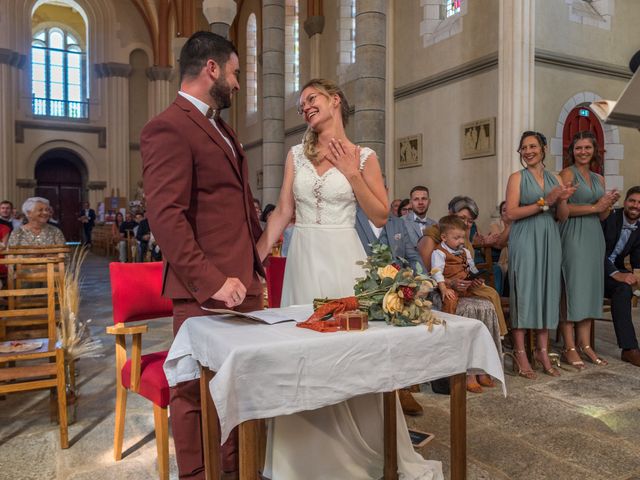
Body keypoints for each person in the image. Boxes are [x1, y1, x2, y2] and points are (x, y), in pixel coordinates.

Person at [257, 78, 441, 480]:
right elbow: (283, 212)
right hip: (303, 258)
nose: (305, 106)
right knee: (302, 355)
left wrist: (350, 173)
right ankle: (303, 459)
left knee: (349, 355)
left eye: (312, 98)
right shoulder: (295, 155)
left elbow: (379, 215)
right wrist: (255, 258)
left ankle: (361, 452)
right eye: (301, 103)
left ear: (335, 100)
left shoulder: (364, 155)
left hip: (344, 260)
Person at [140, 31, 264, 479]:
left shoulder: (221, 128)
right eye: (234, 73)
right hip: (205, 290)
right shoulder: (168, 126)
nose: (236, 83)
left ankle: (234, 472)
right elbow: (166, 218)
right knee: (193, 392)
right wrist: (212, 281)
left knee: (236, 392)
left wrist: (255, 268)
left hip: (240, 284)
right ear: (211, 68)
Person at [505, 131, 575, 379]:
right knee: (524, 292)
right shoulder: (516, 178)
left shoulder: (554, 178)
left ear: (543, 148)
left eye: (532, 146)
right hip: (525, 237)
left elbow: (562, 216)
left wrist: (563, 199)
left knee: (547, 291)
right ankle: (521, 352)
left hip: (549, 236)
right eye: (523, 148)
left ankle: (542, 351)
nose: (528, 151)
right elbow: (511, 213)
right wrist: (546, 201)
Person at [559, 131, 619, 369]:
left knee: (590, 291)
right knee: (572, 289)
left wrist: (608, 204)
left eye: (587, 148)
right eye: (578, 148)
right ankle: (569, 347)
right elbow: (562, 211)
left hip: (594, 237)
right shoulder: (567, 174)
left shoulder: (599, 179)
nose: (582, 152)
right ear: (572, 151)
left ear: (594, 151)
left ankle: (586, 345)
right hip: (573, 235)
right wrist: (595, 206)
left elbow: (602, 215)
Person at [432, 215, 504, 393]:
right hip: (451, 287)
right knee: (450, 301)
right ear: (444, 238)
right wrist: (443, 288)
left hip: (466, 285)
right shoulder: (439, 252)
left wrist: (476, 279)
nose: (461, 241)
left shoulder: (465, 252)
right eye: (456, 238)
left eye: (462, 237)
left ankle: (485, 362)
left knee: (490, 296)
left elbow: (471, 269)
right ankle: (449, 332)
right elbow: (436, 273)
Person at [602, 185, 640, 367]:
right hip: (594, 270)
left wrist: (638, 279)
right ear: (625, 202)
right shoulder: (610, 218)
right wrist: (616, 274)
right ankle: (629, 349)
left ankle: (629, 347)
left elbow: (638, 261)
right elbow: (595, 251)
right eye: (632, 201)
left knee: (627, 287)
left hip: (615, 270)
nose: (636, 205)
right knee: (623, 289)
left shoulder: (639, 227)